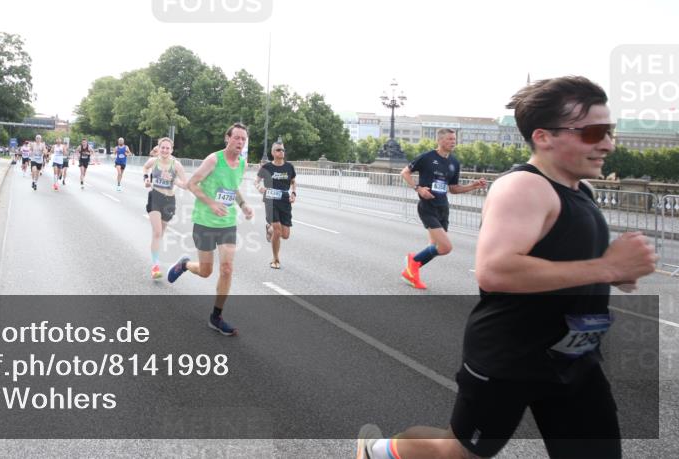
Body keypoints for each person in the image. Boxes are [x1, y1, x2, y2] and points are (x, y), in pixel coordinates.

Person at [357, 76, 658, 459]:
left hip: (573, 356)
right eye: (594, 132)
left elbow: (570, 261)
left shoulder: (581, 190)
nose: (607, 143)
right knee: (458, 452)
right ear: (544, 136)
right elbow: (496, 272)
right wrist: (605, 267)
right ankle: (378, 451)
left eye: (609, 131)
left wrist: (616, 269)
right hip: (511, 356)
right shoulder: (523, 188)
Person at [168, 123, 253, 336]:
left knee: (226, 268)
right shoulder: (214, 159)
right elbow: (192, 184)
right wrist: (211, 203)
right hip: (205, 222)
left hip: (227, 223)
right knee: (206, 272)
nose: (240, 142)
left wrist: (243, 206)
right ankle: (185, 265)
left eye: (243, 139)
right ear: (227, 138)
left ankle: (216, 317)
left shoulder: (242, 163)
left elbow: (233, 189)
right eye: (237, 138)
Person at [399, 128, 488, 289]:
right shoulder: (427, 157)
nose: (453, 142)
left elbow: (453, 188)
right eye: (449, 139)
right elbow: (405, 172)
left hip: (443, 208)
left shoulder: (454, 162)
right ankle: (413, 261)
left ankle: (411, 271)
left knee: (433, 247)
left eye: (454, 139)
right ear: (439, 140)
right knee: (445, 247)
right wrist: (418, 188)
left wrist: (473, 186)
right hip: (427, 207)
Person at [142, 137, 188, 279]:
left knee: (160, 234)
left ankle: (154, 253)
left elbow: (186, 185)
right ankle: (155, 266)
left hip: (169, 201)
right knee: (156, 232)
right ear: (159, 148)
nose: (165, 150)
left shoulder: (176, 165)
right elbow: (145, 167)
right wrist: (146, 179)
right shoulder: (154, 161)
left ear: (171, 150)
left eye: (168, 148)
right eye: (163, 147)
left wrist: (172, 179)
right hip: (155, 196)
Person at [255, 142, 297, 269]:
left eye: (283, 150)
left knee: (285, 235)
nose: (281, 152)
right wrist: (259, 187)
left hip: (284, 200)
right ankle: (275, 259)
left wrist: (294, 193)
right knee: (278, 231)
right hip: (270, 200)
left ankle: (269, 228)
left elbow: (293, 182)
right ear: (273, 153)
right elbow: (256, 181)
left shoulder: (289, 167)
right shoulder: (267, 167)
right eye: (278, 150)